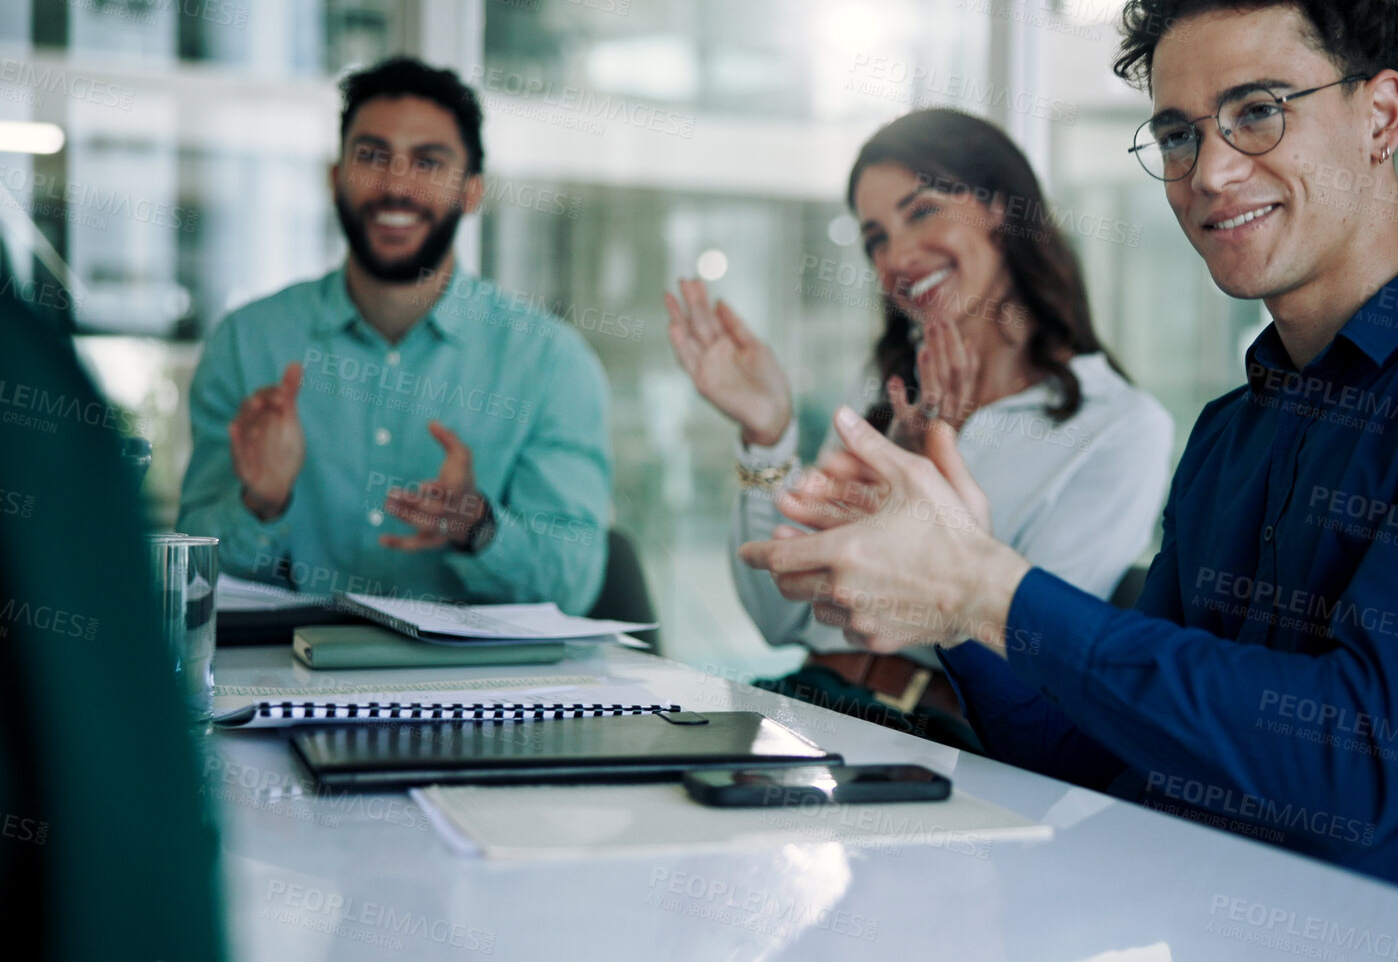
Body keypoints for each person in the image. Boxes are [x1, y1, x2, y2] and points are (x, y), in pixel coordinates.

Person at [739, 0, 1398, 909]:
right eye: (1178, 134)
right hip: (1155, 916)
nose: (1210, 172)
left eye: (1257, 112)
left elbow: (1350, 766)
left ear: (1380, 115)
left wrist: (990, 589)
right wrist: (959, 598)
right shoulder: (1232, 428)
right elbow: (1093, 754)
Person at [666, 108, 1173, 747]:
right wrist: (769, 434)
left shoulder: (1119, 427)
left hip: (935, 740)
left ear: (997, 207)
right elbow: (778, 617)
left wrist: (926, 487)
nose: (898, 256)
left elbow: (1039, 669)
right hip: (805, 706)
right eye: (875, 237)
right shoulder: (887, 392)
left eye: (922, 211)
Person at [179, 57, 612, 613]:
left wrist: (479, 527)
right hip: (282, 687)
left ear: (471, 192)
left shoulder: (552, 364)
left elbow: (573, 587)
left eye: (428, 163)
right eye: (372, 156)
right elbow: (192, 580)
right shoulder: (247, 344)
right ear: (335, 178)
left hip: (477, 694)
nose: (396, 185)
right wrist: (260, 504)